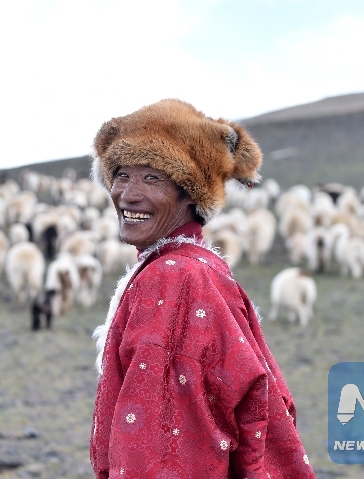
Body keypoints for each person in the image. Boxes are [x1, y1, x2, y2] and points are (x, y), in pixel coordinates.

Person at [89, 99, 316, 478]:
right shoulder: (198, 267)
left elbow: (159, 439)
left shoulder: (172, 279)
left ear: (192, 193)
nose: (127, 194)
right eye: (122, 175)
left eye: (152, 178)